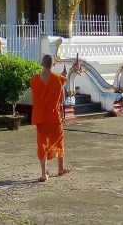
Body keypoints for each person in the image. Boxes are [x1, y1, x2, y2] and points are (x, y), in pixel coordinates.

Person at [29, 53, 71, 182]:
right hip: (53, 115)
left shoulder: (35, 80)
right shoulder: (57, 79)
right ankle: (60, 168)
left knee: (41, 143)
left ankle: (43, 174)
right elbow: (60, 97)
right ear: (53, 64)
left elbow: (35, 97)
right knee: (58, 140)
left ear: (42, 64)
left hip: (40, 116)